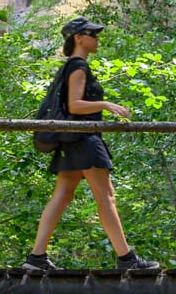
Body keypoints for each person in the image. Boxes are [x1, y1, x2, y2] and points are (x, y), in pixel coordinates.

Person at [24, 16, 161, 273]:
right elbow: (75, 105)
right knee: (106, 196)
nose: (97, 39)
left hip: (71, 140)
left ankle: (36, 257)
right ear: (79, 38)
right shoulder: (78, 66)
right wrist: (106, 104)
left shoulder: (70, 66)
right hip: (85, 138)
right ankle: (127, 259)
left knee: (63, 194)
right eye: (93, 34)